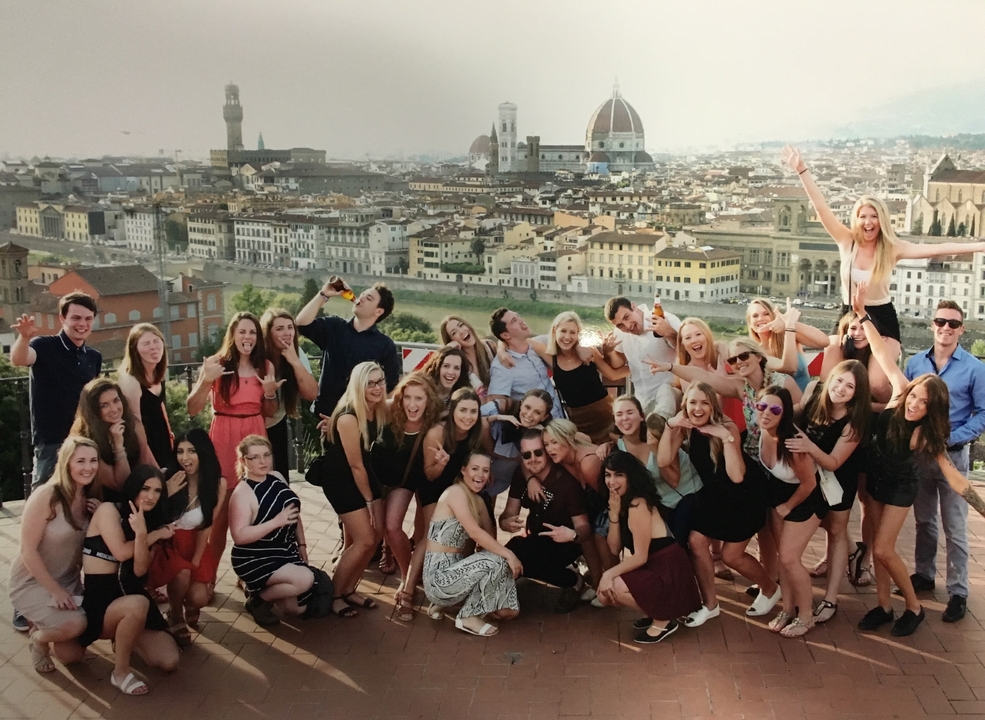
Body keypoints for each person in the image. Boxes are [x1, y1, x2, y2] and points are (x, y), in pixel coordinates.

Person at [851, 291, 985, 636]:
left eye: (923, 403)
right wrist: (864, 315)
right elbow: (880, 351)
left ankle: (914, 607)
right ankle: (883, 606)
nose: (913, 404)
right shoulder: (901, 387)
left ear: (931, 410)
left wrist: (983, 508)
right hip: (876, 476)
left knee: (883, 548)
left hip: (901, 484)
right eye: (914, 396)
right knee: (879, 549)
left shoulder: (927, 436)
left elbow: (955, 478)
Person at [783, 145, 985, 365]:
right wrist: (802, 170)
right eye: (863, 216)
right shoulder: (846, 240)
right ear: (856, 219)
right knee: (832, 369)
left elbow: (937, 248)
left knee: (878, 383)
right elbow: (821, 208)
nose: (868, 222)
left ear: (882, 220)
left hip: (881, 317)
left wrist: (979, 247)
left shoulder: (892, 247)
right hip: (849, 314)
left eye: (874, 216)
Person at [658, 383, 776, 626]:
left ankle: (770, 589)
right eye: (692, 402)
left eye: (704, 403)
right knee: (696, 541)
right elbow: (663, 460)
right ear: (685, 405)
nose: (698, 408)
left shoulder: (727, 427)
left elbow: (737, 476)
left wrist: (725, 438)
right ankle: (710, 605)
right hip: (714, 496)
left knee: (732, 556)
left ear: (712, 406)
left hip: (744, 497)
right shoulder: (686, 428)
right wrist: (671, 425)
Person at [903, 300, 985, 623]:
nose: (946, 328)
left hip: (952, 456)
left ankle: (958, 591)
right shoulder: (913, 363)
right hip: (919, 457)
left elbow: (982, 415)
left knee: (954, 525)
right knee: (924, 520)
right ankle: (924, 574)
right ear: (932, 325)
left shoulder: (976, 368)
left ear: (962, 329)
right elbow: (905, 404)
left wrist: (947, 440)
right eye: (941, 322)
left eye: (953, 323)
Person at [79, 465, 180, 695]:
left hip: (130, 598)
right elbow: (122, 553)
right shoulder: (108, 510)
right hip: (101, 603)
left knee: (169, 661)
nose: (151, 496)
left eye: (157, 491)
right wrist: (152, 534)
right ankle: (121, 672)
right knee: (69, 655)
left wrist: (144, 533)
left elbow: (139, 571)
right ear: (134, 487)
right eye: (146, 488)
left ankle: (126, 638)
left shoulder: (150, 521)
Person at [187, 312, 279, 562]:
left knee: (255, 509)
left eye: (252, 332)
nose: (247, 337)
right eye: (242, 332)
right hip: (224, 438)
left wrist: (270, 394)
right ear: (233, 335)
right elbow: (193, 407)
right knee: (219, 514)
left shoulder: (265, 366)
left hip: (254, 435)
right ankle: (208, 576)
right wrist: (207, 380)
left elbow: (268, 411)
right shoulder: (217, 363)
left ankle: (250, 576)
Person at [785, 360, 870, 623]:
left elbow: (834, 462)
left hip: (838, 482)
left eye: (850, 386)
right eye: (839, 380)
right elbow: (792, 415)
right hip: (809, 478)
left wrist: (808, 447)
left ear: (857, 393)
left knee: (836, 531)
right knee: (822, 525)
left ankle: (831, 598)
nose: (841, 389)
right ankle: (854, 550)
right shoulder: (814, 394)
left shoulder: (854, 423)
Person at [9, 437, 100, 673]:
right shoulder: (46, 496)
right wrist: (55, 591)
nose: (88, 467)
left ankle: (46, 624)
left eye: (93, 460)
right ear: (66, 463)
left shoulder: (88, 499)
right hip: (33, 581)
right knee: (76, 623)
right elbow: (27, 551)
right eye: (80, 461)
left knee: (71, 656)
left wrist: (99, 516)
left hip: (68, 581)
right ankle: (38, 638)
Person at [597, 451, 701, 643]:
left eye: (619, 475)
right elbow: (614, 548)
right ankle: (654, 610)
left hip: (667, 566)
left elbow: (640, 557)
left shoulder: (638, 504)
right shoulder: (621, 502)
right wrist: (614, 513)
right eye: (608, 475)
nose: (612, 481)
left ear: (631, 476)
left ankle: (664, 619)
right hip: (652, 564)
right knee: (605, 595)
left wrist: (608, 574)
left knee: (614, 588)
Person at [11, 291, 102, 492]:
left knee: (82, 495)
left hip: (84, 438)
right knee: (44, 494)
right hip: (51, 440)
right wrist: (24, 337)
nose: (82, 324)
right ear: (62, 318)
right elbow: (19, 359)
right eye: (76, 318)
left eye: (88, 319)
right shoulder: (44, 345)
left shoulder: (94, 357)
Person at [423, 452, 521, 637]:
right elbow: (475, 533)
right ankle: (468, 616)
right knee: (499, 559)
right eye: (475, 469)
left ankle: (445, 603)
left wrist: (498, 575)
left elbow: (489, 537)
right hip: (438, 577)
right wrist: (509, 555)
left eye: (485, 470)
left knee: (509, 611)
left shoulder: (477, 500)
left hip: (457, 573)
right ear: (463, 470)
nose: (480, 475)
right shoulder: (455, 492)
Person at [319, 362, 387, 618]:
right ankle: (335, 595)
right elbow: (355, 465)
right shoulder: (349, 416)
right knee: (365, 539)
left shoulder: (376, 408)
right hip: (341, 479)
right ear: (358, 386)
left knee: (377, 534)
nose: (377, 387)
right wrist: (369, 501)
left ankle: (350, 590)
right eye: (370, 383)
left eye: (380, 381)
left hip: (363, 474)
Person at [374, 373, 443, 621]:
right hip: (390, 480)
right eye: (408, 398)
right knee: (386, 528)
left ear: (429, 401)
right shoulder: (390, 412)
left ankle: (408, 583)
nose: (412, 405)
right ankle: (399, 564)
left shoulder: (435, 423)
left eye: (419, 399)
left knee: (410, 530)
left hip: (418, 481)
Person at [756, 386, 824, 638]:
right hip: (778, 497)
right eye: (762, 406)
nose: (766, 413)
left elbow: (809, 484)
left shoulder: (793, 443)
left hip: (804, 500)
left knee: (789, 559)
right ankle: (787, 609)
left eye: (774, 409)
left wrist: (787, 506)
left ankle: (806, 615)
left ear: (784, 414)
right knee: (781, 558)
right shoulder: (763, 432)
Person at [405, 388, 484, 603]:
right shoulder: (437, 433)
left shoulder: (477, 431)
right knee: (432, 534)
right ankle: (407, 590)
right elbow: (429, 475)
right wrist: (441, 463)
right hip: (433, 486)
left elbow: (482, 458)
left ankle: (460, 585)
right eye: (463, 410)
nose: (468, 416)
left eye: (473, 411)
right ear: (452, 411)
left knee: (468, 530)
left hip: (458, 487)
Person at [148, 429, 225, 644]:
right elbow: (150, 518)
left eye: (192, 451)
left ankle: (187, 602)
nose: (185, 458)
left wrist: (197, 561)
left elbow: (205, 527)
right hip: (167, 543)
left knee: (199, 597)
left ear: (203, 452)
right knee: (181, 574)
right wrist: (165, 493)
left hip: (194, 543)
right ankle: (175, 614)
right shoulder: (166, 477)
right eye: (180, 451)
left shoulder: (217, 484)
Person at [500, 430, 591, 614]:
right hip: (537, 537)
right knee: (509, 554)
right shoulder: (521, 475)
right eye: (527, 455)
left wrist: (571, 534)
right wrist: (507, 522)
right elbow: (506, 515)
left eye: (538, 452)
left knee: (532, 559)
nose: (533, 459)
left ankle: (574, 582)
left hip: (566, 542)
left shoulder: (566, 483)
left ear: (547, 452)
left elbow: (584, 527)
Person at [230, 435, 314, 627]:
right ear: (244, 461)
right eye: (256, 457)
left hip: (283, 550)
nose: (263, 461)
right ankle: (257, 599)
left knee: (297, 609)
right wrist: (276, 522)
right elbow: (239, 536)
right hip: (254, 556)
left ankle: (259, 590)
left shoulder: (276, 477)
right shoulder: (242, 493)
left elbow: (293, 513)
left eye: (266, 455)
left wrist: (301, 544)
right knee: (305, 580)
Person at [296, 277, 400, 419]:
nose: (361, 298)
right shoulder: (334, 326)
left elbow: (390, 389)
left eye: (368, 298)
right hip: (325, 414)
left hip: (359, 419)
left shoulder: (385, 345)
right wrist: (324, 294)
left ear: (379, 312)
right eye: (362, 294)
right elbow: (301, 324)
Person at [541, 419, 612, 598]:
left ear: (567, 439)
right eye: (546, 444)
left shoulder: (588, 463)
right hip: (591, 498)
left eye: (554, 442)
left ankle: (612, 586)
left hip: (609, 500)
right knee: (584, 531)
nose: (549, 449)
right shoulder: (563, 455)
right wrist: (531, 480)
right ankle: (597, 585)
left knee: (599, 534)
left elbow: (611, 497)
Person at [542, 311, 625, 444]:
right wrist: (501, 347)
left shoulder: (589, 352)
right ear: (554, 331)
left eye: (573, 332)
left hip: (606, 418)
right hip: (580, 424)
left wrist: (641, 369)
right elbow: (524, 341)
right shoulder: (551, 357)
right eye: (563, 331)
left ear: (578, 334)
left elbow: (613, 375)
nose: (567, 337)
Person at [260, 308, 319, 478]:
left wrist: (295, 362)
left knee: (279, 479)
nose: (287, 333)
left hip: (276, 423)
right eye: (279, 329)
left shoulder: (297, 353)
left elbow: (312, 394)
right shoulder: (258, 355)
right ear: (267, 333)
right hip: (251, 425)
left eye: (290, 327)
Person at [70, 378, 150, 498]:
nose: (114, 409)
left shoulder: (134, 424)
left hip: (134, 493)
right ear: (94, 410)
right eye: (104, 405)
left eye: (116, 400)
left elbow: (143, 464)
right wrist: (118, 446)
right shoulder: (86, 438)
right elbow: (119, 484)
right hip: (102, 499)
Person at [602, 296, 682, 417]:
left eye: (627, 317)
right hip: (641, 401)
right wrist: (608, 352)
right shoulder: (619, 333)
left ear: (634, 306)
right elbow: (618, 363)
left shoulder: (665, 320)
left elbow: (689, 352)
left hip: (671, 399)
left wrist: (669, 332)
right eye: (620, 325)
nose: (627, 326)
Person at [487, 308, 563, 419]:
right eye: (514, 321)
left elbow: (566, 337)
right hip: (538, 427)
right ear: (506, 335)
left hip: (561, 416)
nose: (521, 320)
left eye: (518, 316)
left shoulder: (539, 343)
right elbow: (495, 403)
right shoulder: (502, 365)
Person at [118, 323, 173, 470]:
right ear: (134, 349)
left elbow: (160, 407)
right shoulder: (131, 381)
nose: (153, 347)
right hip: (144, 447)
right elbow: (135, 425)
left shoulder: (156, 374)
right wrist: (150, 463)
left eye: (156, 341)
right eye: (146, 343)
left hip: (161, 440)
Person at [745, 298, 829, 391]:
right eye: (755, 316)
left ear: (774, 316)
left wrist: (790, 324)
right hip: (780, 404)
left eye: (766, 314)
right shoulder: (756, 353)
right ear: (750, 323)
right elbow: (788, 368)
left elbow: (824, 341)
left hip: (807, 401)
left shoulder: (790, 334)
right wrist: (789, 327)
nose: (760, 319)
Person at [485, 388, 554, 496]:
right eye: (527, 407)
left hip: (500, 478)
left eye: (537, 412)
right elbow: (473, 419)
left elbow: (524, 459)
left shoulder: (544, 434)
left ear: (544, 417)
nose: (530, 414)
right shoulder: (501, 407)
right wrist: (499, 417)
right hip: (475, 465)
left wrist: (530, 478)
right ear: (521, 404)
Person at [820, 310, 888, 404]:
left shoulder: (877, 354)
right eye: (853, 328)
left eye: (863, 328)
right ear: (845, 331)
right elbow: (825, 383)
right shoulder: (836, 348)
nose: (857, 333)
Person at [439, 315, 496, 399]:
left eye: (461, 325)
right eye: (454, 333)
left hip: (499, 408)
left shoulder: (489, 346)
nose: (461, 331)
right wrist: (448, 350)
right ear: (451, 340)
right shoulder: (456, 363)